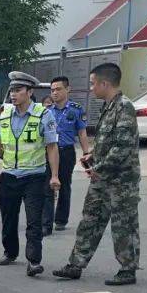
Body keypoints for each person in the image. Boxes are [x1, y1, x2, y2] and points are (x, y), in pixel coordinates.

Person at [53, 62, 141, 286]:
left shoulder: (124, 107)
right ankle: (76, 264)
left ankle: (127, 269)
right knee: (90, 219)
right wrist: (92, 155)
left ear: (105, 83)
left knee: (123, 224)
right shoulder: (108, 106)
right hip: (102, 177)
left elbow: (123, 147)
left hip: (121, 180)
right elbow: (108, 142)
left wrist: (97, 168)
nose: (91, 88)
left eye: (93, 84)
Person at [0, 71, 61, 277]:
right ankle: (10, 252)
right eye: (12, 90)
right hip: (9, 176)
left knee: (33, 221)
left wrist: (54, 175)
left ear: (29, 92)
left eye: (18, 90)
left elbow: (52, 146)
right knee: (9, 219)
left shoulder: (43, 114)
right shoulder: (5, 114)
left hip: (35, 177)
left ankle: (34, 260)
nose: (13, 94)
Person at [41, 76, 90, 234]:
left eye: (58, 89)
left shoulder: (76, 109)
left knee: (64, 186)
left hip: (67, 151)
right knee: (47, 186)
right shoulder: (46, 111)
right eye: (52, 90)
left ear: (67, 89)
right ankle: (46, 223)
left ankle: (61, 219)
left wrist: (86, 152)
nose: (55, 93)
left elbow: (82, 133)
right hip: (48, 152)